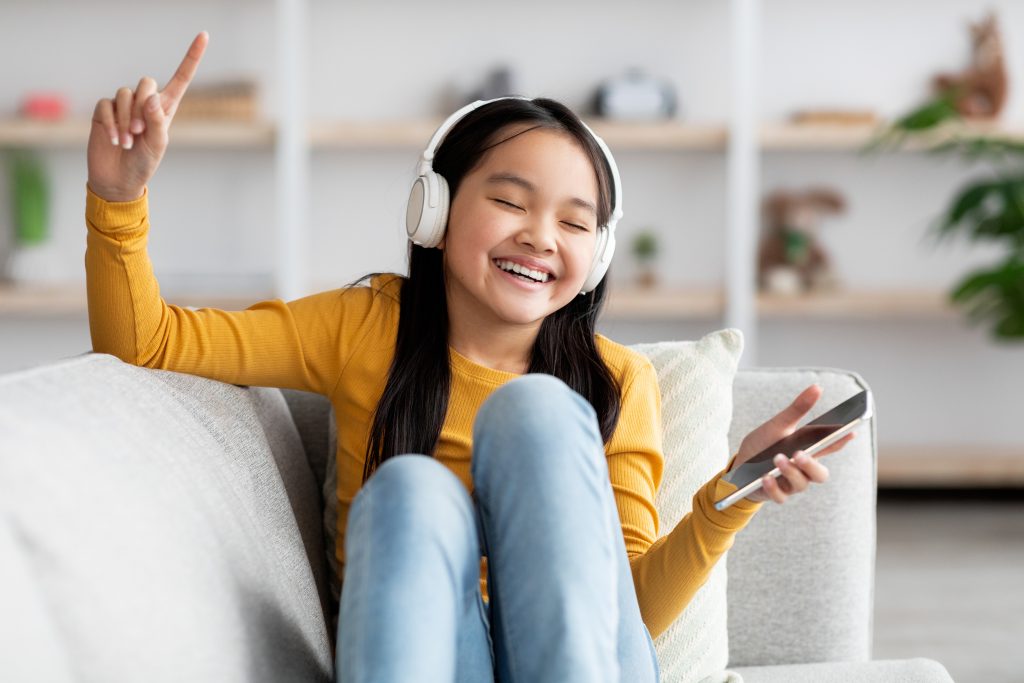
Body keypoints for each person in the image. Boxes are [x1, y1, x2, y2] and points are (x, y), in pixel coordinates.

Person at [85, 32, 853, 683]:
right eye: (511, 202)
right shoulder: (364, 325)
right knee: (409, 490)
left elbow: (621, 609)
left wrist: (731, 496)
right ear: (437, 211)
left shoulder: (618, 380)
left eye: (575, 222)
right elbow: (148, 343)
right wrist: (117, 201)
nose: (541, 236)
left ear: (600, 252)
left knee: (538, 409)